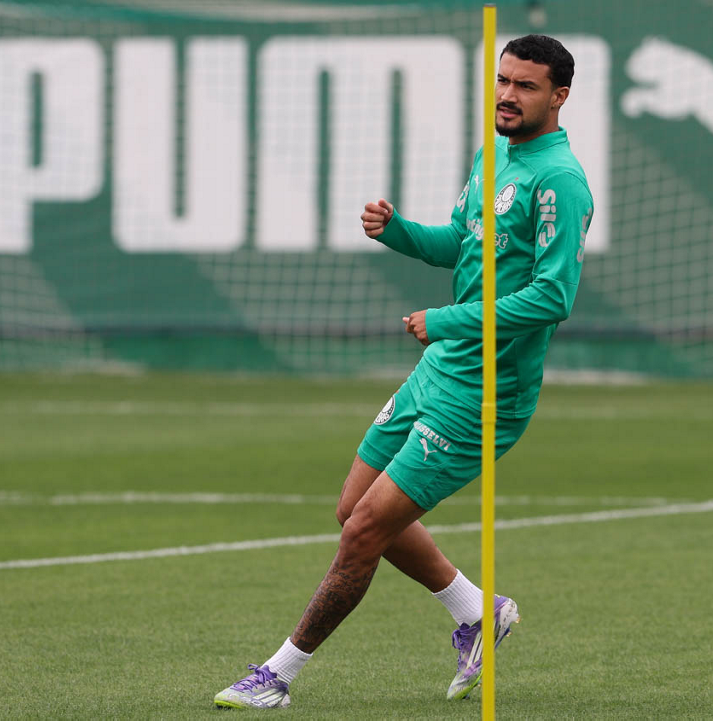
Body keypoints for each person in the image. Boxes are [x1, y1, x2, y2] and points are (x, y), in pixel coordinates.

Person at [215, 34, 594, 709]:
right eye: (503, 80)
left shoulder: (560, 180)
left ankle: (277, 676)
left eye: (526, 85)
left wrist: (448, 320)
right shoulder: (493, 156)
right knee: (351, 509)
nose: (507, 95)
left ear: (559, 96)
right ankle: (476, 611)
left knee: (365, 530)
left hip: (484, 394)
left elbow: (553, 296)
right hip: (438, 369)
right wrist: (398, 232)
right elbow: (463, 243)